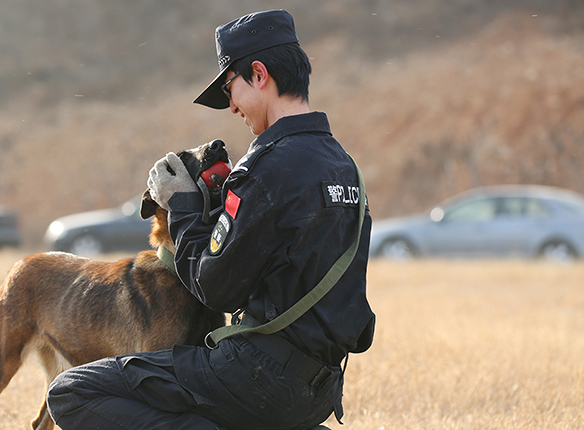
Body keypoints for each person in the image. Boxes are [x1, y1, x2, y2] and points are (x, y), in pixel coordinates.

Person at [47, 9, 375, 430]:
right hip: (321, 390)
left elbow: (216, 289)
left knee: (72, 391)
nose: (233, 107)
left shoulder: (266, 169)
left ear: (258, 74)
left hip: (257, 378)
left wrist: (183, 206)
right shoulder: (345, 167)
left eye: (230, 88)